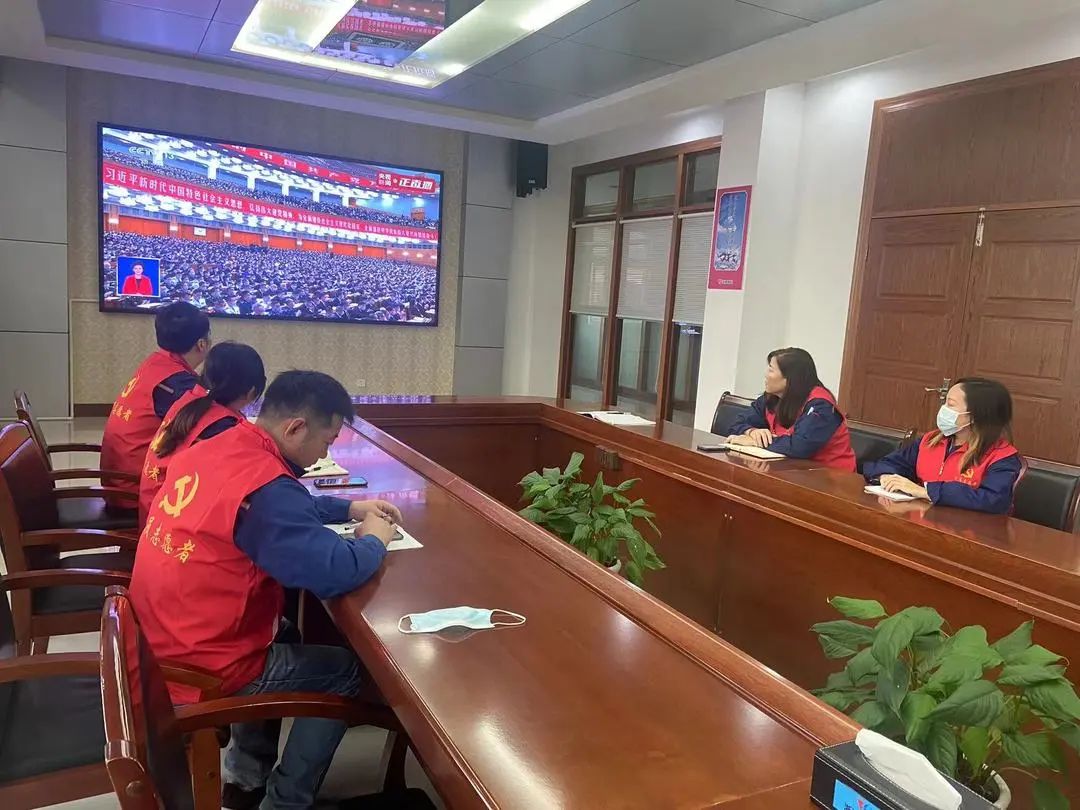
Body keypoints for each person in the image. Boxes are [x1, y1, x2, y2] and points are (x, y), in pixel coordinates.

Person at [128, 370, 403, 810]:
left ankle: (245, 778)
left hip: (161, 640)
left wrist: (349, 506)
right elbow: (335, 572)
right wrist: (374, 539)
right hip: (201, 665)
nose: (324, 455)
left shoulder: (224, 442)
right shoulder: (266, 486)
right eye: (327, 442)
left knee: (287, 631)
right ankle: (285, 802)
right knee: (343, 671)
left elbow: (285, 505)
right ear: (296, 427)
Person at [138, 341, 265, 527]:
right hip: (173, 524)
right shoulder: (222, 429)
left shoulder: (190, 399)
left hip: (153, 512)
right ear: (252, 392)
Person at [100, 302, 211, 506]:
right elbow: (214, 430)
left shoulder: (156, 363)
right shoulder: (176, 384)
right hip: (134, 492)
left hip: (117, 481)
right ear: (202, 344)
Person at [862, 378, 1022, 514]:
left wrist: (926, 491)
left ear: (975, 416)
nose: (943, 410)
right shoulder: (930, 441)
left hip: (969, 534)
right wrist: (886, 476)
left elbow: (993, 500)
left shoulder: (1002, 457)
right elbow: (890, 463)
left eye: (950, 405)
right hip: (920, 523)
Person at [725, 347, 857, 471]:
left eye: (771, 369)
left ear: (790, 378)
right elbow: (736, 424)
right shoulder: (771, 398)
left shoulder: (821, 405)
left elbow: (800, 446)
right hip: (791, 470)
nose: (765, 374)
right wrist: (751, 431)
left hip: (830, 477)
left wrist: (757, 442)